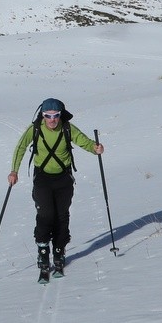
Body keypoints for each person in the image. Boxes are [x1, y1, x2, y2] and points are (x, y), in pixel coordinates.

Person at [8, 97, 102, 278]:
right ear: (42, 115)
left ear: (61, 115)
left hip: (64, 179)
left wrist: (95, 148)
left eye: (56, 115)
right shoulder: (35, 129)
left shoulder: (67, 128)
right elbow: (20, 148)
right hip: (42, 179)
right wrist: (14, 171)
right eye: (48, 115)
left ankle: (59, 251)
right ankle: (43, 253)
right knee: (45, 215)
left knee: (61, 215)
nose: (52, 119)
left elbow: (84, 141)